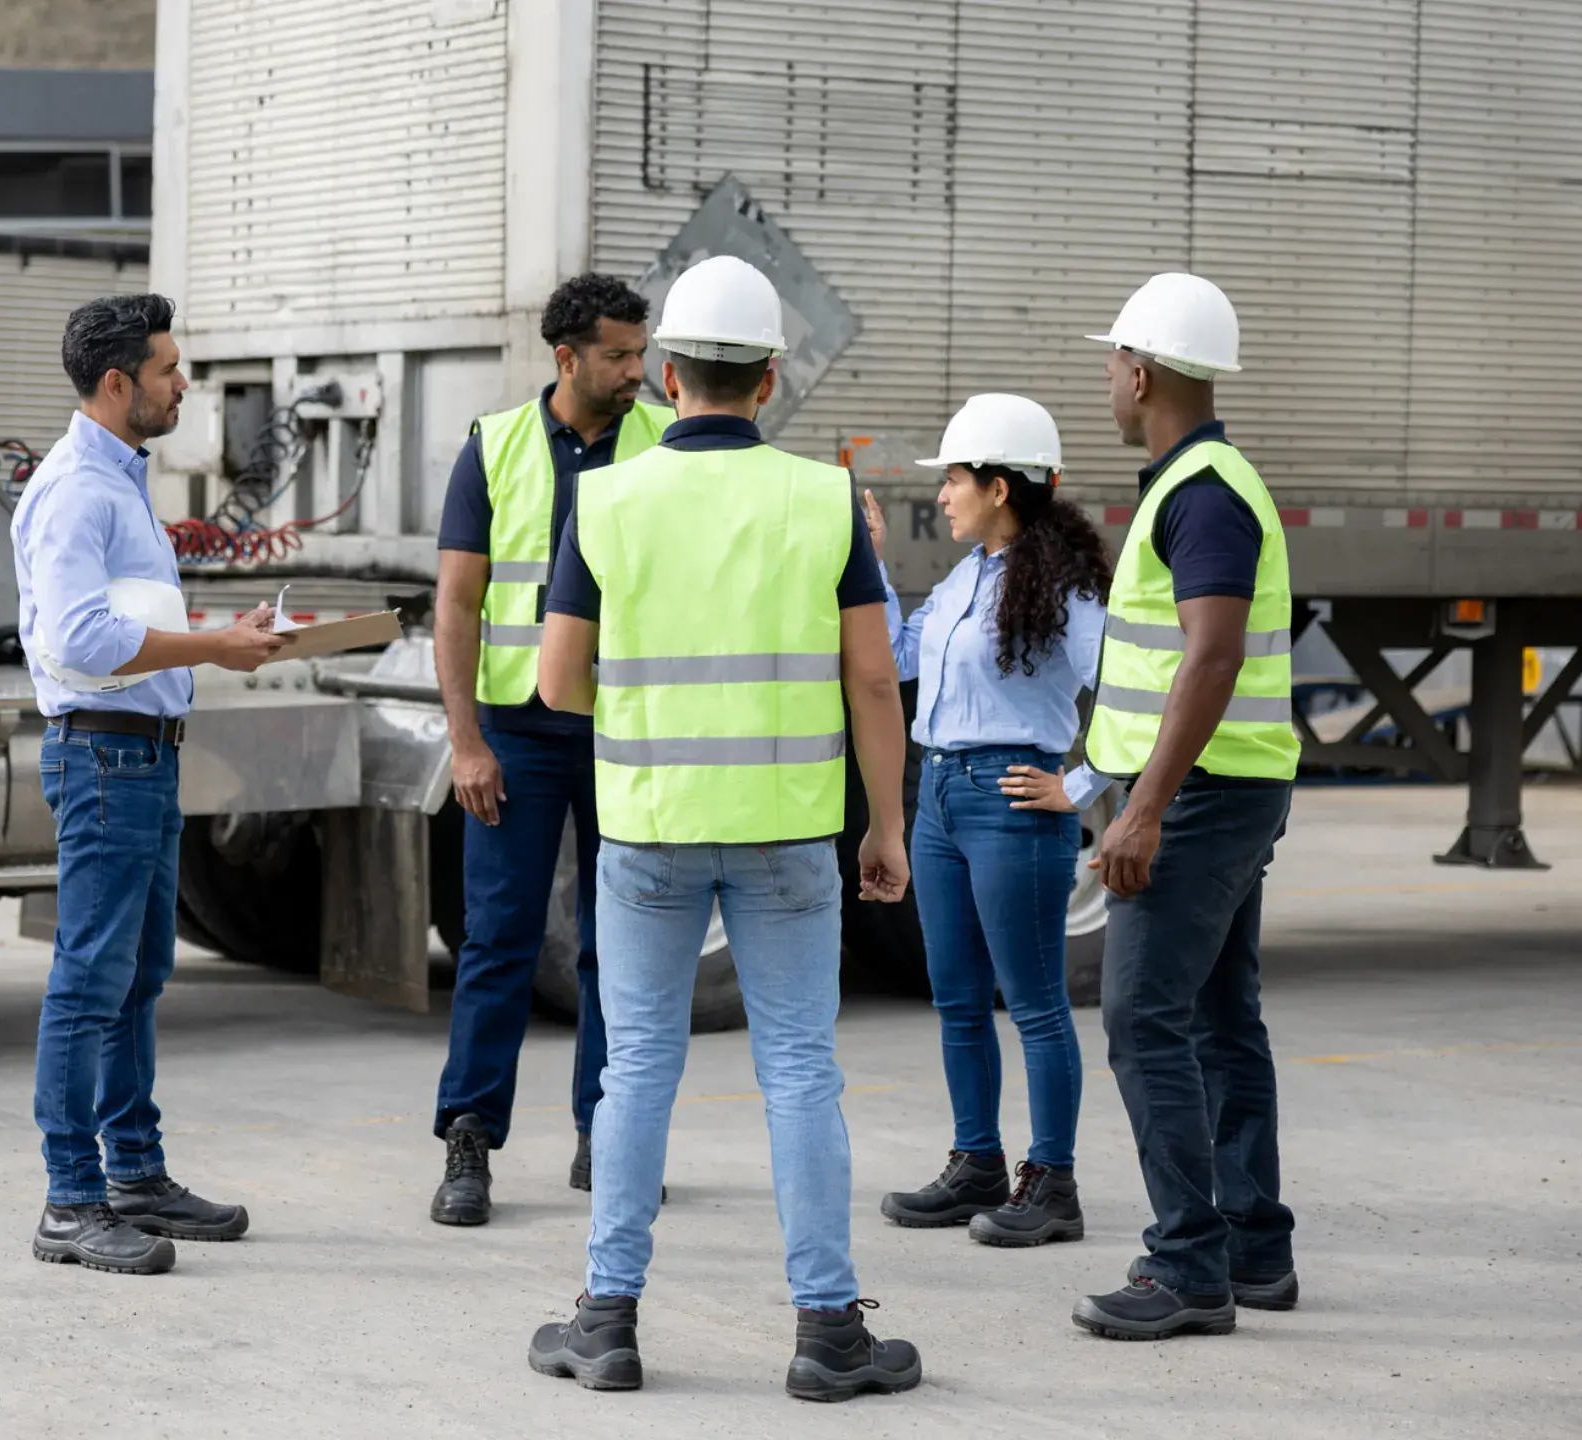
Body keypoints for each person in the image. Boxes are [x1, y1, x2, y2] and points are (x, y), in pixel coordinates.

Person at [521, 255, 921, 1401]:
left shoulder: (606, 498)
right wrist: (882, 826)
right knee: (799, 1071)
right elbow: (873, 684)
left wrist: (655, 716)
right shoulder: (819, 499)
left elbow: (557, 685)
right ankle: (827, 1330)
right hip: (789, 831)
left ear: (665, 373)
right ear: (768, 378)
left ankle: (605, 1320)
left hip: (647, 828)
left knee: (637, 1067)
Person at [10, 294, 287, 1275]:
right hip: (104, 757)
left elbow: (122, 619)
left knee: (136, 976)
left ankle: (132, 1172)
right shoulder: (80, 491)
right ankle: (69, 1201)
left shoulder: (118, 483)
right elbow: (77, 639)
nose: (184, 385)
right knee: (90, 980)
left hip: (141, 753)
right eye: (170, 369)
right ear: (119, 382)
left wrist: (218, 631)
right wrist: (213, 646)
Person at [1071, 272, 1301, 1339]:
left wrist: (1145, 807)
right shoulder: (1197, 483)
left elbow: (1209, 656)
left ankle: (1188, 1267)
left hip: (1204, 793)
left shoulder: (1201, 494)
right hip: (1226, 783)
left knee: (1140, 1017)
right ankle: (1252, 1247)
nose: (1107, 382)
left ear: (1144, 370)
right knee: (1216, 1016)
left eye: (1113, 362)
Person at [428, 275, 673, 1226]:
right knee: (498, 941)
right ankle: (469, 1141)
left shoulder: (663, 443)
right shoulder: (495, 447)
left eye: (640, 352)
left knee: (624, 946)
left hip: (629, 728)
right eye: (617, 355)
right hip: (517, 733)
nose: (636, 371)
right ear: (566, 357)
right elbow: (457, 603)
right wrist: (466, 741)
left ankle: (605, 1136)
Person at [867, 395, 1114, 1247]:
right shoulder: (966, 575)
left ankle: (1053, 1183)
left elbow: (1124, 692)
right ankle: (977, 1162)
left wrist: (1080, 786)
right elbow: (900, 658)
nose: (943, 495)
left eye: (956, 479)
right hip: (937, 795)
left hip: (1012, 804)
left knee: (1036, 1005)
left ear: (1001, 487)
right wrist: (871, 567)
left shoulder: (1070, 590)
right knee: (958, 999)